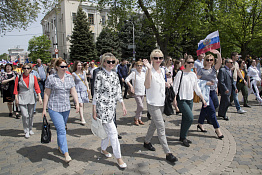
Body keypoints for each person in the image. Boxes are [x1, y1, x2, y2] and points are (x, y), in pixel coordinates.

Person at [92, 53, 127, 168]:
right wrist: (94, 109)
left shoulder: (115, 75)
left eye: (113, 61)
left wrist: (123, 104)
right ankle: (119, 158)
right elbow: (96, 93)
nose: (111, 64)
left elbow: (118, 91)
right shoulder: (99, 75)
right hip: (102, 107)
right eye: (108, 61)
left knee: (107, 131)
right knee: (113, 133)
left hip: (112, 107)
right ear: (104, 63)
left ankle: (103, 149)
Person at [143, 49, 178, 163]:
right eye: (155, 58)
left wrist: (166, 83)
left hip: (161, 102)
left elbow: (160, 82)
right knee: (161, 127)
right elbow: (147, 86)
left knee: (154, 124)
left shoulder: (162, 70)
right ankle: (168, 153)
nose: (158, 60)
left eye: (160, 58)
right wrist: (148, 68)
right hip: (153, 103)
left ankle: (147, 142)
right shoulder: (149, 70)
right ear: (151, 59)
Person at [42, 58, 79, 163]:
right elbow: (47, 93)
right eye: (62, 66)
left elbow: (73, 90)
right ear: (57, 67)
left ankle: (60, 146)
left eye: (65, 66)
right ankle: (66, 153)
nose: (64, 68)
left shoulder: (69, 77)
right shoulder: (51, 78)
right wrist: (44, 109)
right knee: (62, 129)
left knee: (61, 129)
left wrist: (76, 103)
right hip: (54, 108)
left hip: (66, 107)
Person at [173, 56, 207, 147]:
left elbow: (196, 88)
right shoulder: (180, 73)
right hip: (182, 99)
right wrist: (174, 100)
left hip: (190, 99)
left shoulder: (193, 74)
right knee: (190, 118)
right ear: (185, 63)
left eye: (192, 62)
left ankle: (182, 137)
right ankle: (183, 137)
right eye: (189, 62)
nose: (191, 64)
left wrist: (203, 99)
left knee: (185, 119)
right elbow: (175, 87)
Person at [197, 50, 224, 139]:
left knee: (214, 105)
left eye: (211, 60)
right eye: (207, 59)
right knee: (211, 110)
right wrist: (205, 83)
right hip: (205, 92)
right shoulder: (201, 70)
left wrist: (218, 54)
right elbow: (196, 81)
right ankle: (217, 130)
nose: (209, 61)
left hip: (212, 91)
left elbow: (220, 62)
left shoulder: (213, 69)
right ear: (205, 60)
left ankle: (200, 123)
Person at [13, 64, 42, 138]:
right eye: (25, 68)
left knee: (31, 114)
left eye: (28, 68)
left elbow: (37, 87)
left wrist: (39, 97)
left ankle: (30, 128)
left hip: (31, 96)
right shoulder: (19, 77)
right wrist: (16, 97)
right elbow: (15, 88)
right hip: (22, 96)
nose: (26, 69)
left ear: (30, 69)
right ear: (22, 69)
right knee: (25, 115)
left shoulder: (33, 77)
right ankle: (26, 130)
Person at [125, 61, 145, 126]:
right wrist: (131, 86)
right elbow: (126, 79)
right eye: (138, 65)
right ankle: (136, 118)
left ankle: (139, 118)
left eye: (141, 65)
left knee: (140, 107)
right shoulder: (134, 73)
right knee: (141, 106)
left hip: (142, 92)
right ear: (136, 66)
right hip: (136, 92)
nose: (139, 67)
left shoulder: (143, 73)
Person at [72, 61, 89, 125]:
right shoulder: (74, 74)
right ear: (76, 66)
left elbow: (85, 80)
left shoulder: (83, 72)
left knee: (82, 103)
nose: (80, 67)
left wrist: (88, 88)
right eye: (78, 65)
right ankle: (82, 118)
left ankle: (81, 114)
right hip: (77, 90)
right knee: (80, 103)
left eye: (80, 65)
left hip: (83, 89)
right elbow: (72, 83)